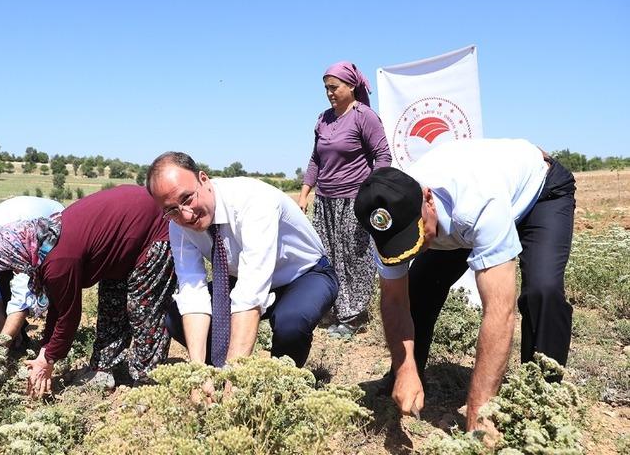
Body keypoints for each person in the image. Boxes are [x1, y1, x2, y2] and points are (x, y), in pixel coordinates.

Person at [353, 138, 576, 431]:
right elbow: (395, 301)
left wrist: (478, 413)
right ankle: (407, 380)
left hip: (539, 194)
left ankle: (542, 394)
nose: (415, 248)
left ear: (428, 199)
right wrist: (403, 368)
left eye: (416, 235)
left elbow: (499, 310)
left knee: (542, 291)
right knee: (418, 289)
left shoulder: (476, 202)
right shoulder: (384, 224)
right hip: (459, 222)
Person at [0, 185, 177, 396]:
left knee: (145, 312)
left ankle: (148, 382)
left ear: (2, 252)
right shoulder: (36, 246)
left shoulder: (57, 262)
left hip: (153, 229)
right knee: (111, 303)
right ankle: (103, 369)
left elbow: (68, 315)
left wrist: (48, 359)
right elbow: (58, 304)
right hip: (123, 237)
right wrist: (46, 351)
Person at [146, 151, 338, 377]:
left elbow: (250, 295)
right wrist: (197, 375)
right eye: (171, 209)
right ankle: (213, 377)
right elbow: (192, 293)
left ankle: (277, 387)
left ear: (204, 179)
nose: (186, 215)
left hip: (305, 275)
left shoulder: (253, 201)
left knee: (291, 323)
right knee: (177, 317)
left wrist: (234, 379)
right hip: (241, 277)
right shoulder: (178, 224)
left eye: (187, 198)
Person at [298, 61, 391, 338]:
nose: (329, 92)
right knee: (325, 255)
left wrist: (372, 191)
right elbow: (315, 159)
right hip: (325, 199)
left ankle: (354, 317)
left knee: (354, 257)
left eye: (334, 87)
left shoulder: (365, 117)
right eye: (326, 88)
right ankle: (333, 309)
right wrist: (305, 194)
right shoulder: (323, 118)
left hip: (355, 199)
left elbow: (383, 156)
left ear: (351, 86)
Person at [0, 196, 64, 347]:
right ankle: (16, 334)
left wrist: (1, 345)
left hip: (52, 222)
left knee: (49, 281)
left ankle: (53, 341)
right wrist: (1, 322)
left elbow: (22, 292)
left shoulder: (13, 242)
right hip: (17, 219)